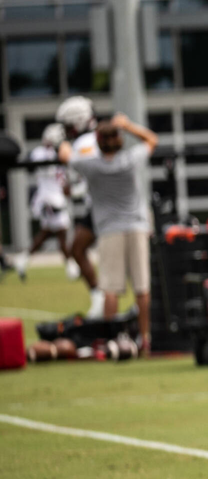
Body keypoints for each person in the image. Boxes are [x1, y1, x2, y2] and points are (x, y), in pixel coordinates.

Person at [58, 114, 158, 352]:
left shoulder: (91, 165)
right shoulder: (130, 160)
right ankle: (146, 339)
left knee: (110, 289)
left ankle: (110, 341)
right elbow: (152, 140)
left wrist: (61, 138)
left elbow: (64, 154)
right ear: (119, 139)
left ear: (98, 141)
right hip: (136, 226)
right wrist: (127, 124)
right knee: (142, 288)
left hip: (109, 230)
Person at [55, 96, 105, 316]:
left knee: (78, 249)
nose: (67, 131)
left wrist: (73, 189)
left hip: (102, 206)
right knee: (79, 248)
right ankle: (100, 297)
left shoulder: (86, 143)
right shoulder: (93, 138)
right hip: (101, 204)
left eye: (68, 126)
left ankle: (100, 297)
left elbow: (92, 175)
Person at [14, 124, 74, 282]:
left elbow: (63, 175)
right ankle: (71, 266)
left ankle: (23, 259)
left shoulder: (60, 152)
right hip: (48, 198)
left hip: (55, 196)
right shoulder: (41, 152)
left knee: (46, 234)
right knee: (61, 232)